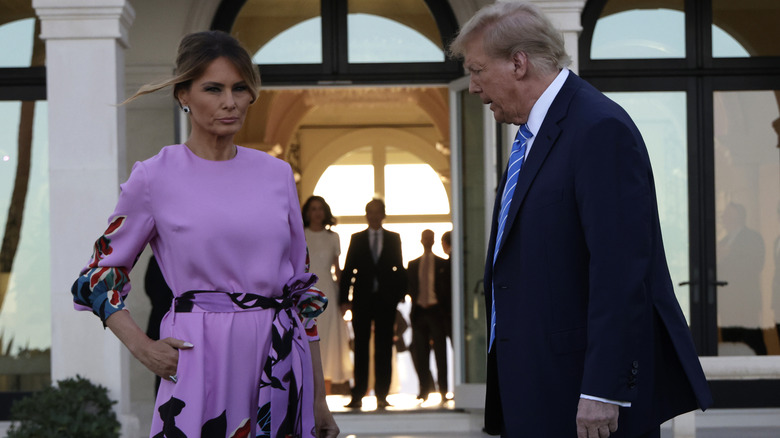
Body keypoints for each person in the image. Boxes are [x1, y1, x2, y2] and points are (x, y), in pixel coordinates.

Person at [449, 3, 713, 437]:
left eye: (477, 70)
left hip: (584, 403)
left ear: (519, 63)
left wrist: (604, 390)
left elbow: (621, 272)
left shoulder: (598, 129)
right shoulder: (533, 136)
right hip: (539, 391)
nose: (474, 87)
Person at [70, 30, 338, 438]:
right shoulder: (153, 176)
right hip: (197, 359)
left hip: (279, 359)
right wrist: (145, 350)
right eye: (213, 89)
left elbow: (302, 294)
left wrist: (319, 400)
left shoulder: (277, 174)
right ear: (184, 95)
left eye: (240, 89)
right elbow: (96, 278)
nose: (230, 102)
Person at [339, 198, 406, 409]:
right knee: (360, 347)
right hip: (362, 300)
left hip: (386, 301)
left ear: (383, 214)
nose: (374, 216)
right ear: (366, 214)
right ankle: (357, 395)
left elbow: (399, 268)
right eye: (371, 212)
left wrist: (400, 295)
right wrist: (344, 300)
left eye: (378, 212)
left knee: (385, 347)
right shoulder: (357, 239)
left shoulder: (394, 238)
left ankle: (382, 395)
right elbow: (348, 270)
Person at [302, 195, 352, 392]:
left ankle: (326, 392)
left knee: (328, 339)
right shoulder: (301, 234)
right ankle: (310, 391)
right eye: (313, 208)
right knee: (308, 335)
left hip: (328, 292)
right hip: (306, 290)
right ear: (307, 212)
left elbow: (338, 270)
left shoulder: (334, 237)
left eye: (320, 208)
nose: (317, 212)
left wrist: (344, 298)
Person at [406, 229, 450, 402]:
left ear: (434, 240)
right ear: (421, 240)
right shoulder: (413, 264)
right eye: (425, 237)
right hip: (419, 312)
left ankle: (444, 390)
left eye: (430, 238)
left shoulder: (442, 264)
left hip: (436, 311)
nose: (427, 240)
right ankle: (424, 389)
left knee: (441, 353)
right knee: (420, 352)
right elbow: (410, 286)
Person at [717, 202, 766, 354]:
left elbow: (755, 265)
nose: (723, 217)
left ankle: (763, 371)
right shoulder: (722, 242)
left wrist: (729, 255)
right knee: (730, 340)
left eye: (727, 214)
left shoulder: (753, 238)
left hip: (746, 301)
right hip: (727, 303)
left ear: (737, 216)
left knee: (752, 339)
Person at [143, 254, 174, 394]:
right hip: (164, 323)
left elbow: (149, 288)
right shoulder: (158, 259)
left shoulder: (157, 258)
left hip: (161, 322)